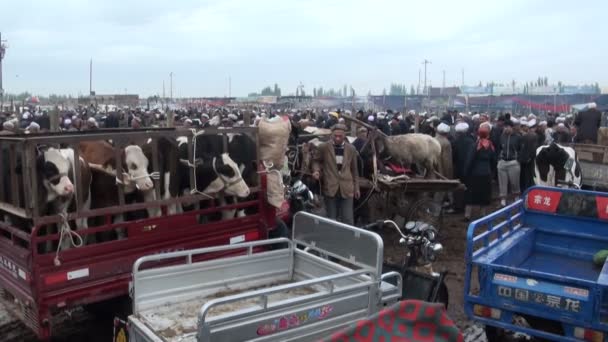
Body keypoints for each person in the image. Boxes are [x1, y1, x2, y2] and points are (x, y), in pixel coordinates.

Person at [312, 124, 360, 225]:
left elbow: (355, 170)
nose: (337, 138)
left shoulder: (351, 149)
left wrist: (356, 188)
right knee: (331, 219)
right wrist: (316, 171)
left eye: (340, 136)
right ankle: (332, 238)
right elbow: (315, 161)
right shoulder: (324, 147)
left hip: (347, 188)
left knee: (347, 219)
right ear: (332, 135)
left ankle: (347, 239)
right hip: (330, 187)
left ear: (344, 136)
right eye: (335, 136)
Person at [463, 123, 496, 221]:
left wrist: (466, 173)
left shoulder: (475, 145)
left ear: (478, 134)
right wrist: (492, 172)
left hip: (474, 174)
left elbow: (469, 160)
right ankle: (482, 214)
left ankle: (467, 215)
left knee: (470, 194)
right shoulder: (491, 146)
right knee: (484, 194)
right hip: (486, 173)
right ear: (488, 135)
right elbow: (494, 160)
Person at [497, 120, 521, 207]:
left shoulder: (518, 137)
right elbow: (499, 148)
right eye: (505, 127)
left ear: (512, 127)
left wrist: (518, 159)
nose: (506, 128)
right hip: (502, 161)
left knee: (515, 182)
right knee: (502, 182)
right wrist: (499, 158)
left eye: (508, 126)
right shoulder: (502, 136)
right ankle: (503, 200)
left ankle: (516, 198)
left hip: (513, 162)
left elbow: (520, 149)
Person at [452, 122, 474, 213]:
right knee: (468, 187)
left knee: (457, 187)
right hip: (469, 168)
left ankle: (458, 206)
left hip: (458, 168)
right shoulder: (472, 141)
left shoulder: (455, 142)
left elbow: (453, 156)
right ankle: (466, 205)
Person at [434, 122, 454, 211]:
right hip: (441, 171)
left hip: (433, 169)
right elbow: (447, 161)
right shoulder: (446, 143)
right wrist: (449, 174)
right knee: (441, 190)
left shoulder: (432, 139)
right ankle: (436, 209)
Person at [519, 119, 539, 193]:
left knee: (524, 176)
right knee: (530, 176)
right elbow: (534, 149)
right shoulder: (534, 136)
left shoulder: (524, 135)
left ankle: (524, 191)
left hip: (524, 160)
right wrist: (530, 157)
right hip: (531, 159)